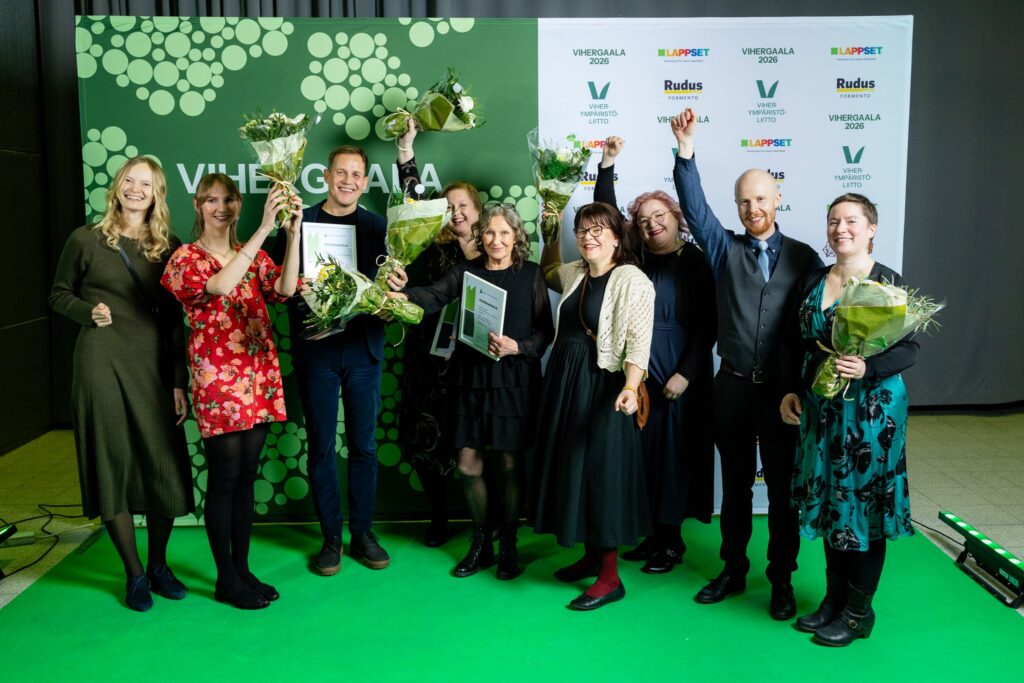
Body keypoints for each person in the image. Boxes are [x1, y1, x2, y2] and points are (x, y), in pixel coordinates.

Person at [671, 108, 823, 620]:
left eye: (760, 198)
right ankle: (733, 569)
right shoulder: (723, 249)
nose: (752, 208)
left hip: (782, 394)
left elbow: (816, 327)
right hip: (732, 387)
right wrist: (686, 152)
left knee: (782, 491)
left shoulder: (805, 258)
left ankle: (781, 579)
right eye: (743, 201)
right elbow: (695, 211)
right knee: (734, 486)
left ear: (776, 199)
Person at [49, 156, 194, 612]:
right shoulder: (86, 239)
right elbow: (58, 293)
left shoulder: (169, 247)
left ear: (156, 194)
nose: (136, 189)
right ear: (117, 187)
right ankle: (135, 575)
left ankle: (158, 565)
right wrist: (86, 311)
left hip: (153, 366)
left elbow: (174, 319)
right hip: (100, 361)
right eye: (129, 181)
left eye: (145, 184)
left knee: (162, 463)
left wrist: (178, 381)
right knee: (111, 461)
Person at [780, 194, 918, 646]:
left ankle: (859, 613)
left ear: (871, 228)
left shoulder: (887, 281)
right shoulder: (814, 279)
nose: (841, 229)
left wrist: (868, 366)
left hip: (872, 414)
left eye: (852, 221)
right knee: (831, 503)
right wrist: (792, 389)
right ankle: (833, 601)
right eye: (834, 221)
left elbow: (910, 348)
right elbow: (797, 342)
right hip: (822, 409)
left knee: (864, 507)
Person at [391, 204, 553, 578]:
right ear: (481, 237)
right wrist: (402, 298)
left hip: (511, 381)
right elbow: (434, 295)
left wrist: (518, 347)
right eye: (490, 233)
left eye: (504, 233)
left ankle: (508, 542)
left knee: (509, 466)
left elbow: (545, 331)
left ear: (516, 237)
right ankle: (481, 542)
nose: (496, 240)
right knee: (467, 466)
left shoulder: (530, 274)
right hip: (470, 379)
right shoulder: (467, 271)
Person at [162, 174, 301, 609]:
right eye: (211, 200)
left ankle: (242, 570)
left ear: (238, 204)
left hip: (258, 375)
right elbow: (221, 286)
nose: (221, 208)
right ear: (198, 206)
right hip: (218, 379)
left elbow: (286, 288)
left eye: (228, 200)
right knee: (224, 478)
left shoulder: (253, 256)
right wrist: (264, 229)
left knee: (245, 478)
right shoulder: (186, 258)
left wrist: (293, 235)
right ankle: (225, 578)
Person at [272, 145, 406, 575]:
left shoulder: (379, 228)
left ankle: (363, 532)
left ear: (365, 183)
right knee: (321, 446)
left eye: (356, 175)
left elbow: (391, 292)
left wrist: (393, 295)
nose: (348, 181)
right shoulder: (300, 222)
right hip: (318, 352)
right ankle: (331, 536)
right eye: (341, 173)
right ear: (326, 176)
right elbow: (279, 286)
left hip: (364, 350)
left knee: (364, 446)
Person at [593, 136, 717, 575]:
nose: (651, 225)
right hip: (641, 371)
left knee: (674, 459)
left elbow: (708, 324)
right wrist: (606, 165)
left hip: (680, 374)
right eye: (643, 220)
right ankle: (653, 536)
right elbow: (605, 215)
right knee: (644, 457)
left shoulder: (695, 261)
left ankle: (671, 542)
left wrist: (687, 373)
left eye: (659, 216)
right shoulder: (636, 258)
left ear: (676, 218)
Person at [532, 202, 655, 610]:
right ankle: (589, 556)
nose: (588, 237)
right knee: (574, 468)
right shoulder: (575, 272)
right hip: (565, 382)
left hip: (603, 385)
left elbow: (639, 340)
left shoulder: (632, 280)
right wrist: (551, 231)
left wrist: (631, 386)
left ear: (617, 238)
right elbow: (549, 270)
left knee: (603, 473)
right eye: (582, 230)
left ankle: (610, 577)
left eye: (598, 229)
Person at [393, 125, 482, 547]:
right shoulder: (432, 244)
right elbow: (414, 200)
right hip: (428, 362)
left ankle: (488, 524)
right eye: (449, 207)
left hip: (476, 363)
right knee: (424, 439)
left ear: (478, 210)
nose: (456, 212)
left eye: (463, 205)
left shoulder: (496, 249)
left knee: (476, 447)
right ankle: (439, 517)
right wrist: (406, 152)